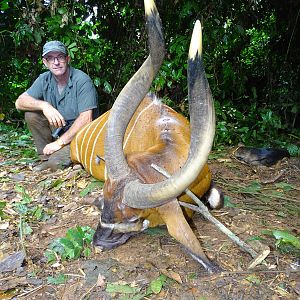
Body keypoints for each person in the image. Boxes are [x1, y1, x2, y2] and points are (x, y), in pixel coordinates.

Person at [15, 40, 99, 171]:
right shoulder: (44, 79)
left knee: (56, 164)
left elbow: (86, 119)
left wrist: (59, 143)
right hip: (60, 131)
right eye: (50, 58)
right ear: (45, 62)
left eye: (60, 57)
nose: (56, 62)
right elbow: (19, 102)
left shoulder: (82, 80)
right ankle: (45, 157)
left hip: (81, 136)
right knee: (31, 114)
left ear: (67, 59)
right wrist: (44, 105)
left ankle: (61, 158)